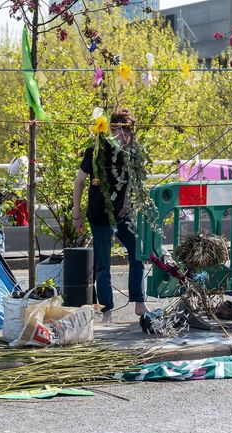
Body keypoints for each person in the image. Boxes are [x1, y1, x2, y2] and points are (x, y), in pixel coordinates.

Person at [73, 108, 148, 323]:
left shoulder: (131, 152)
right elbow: (79, 181)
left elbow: (136, 183)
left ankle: (139, 301)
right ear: (111, 129)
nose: (126, 137)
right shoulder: (95, 151)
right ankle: (106, 311)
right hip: (100, 214)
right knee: (103, 264)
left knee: (137, 253)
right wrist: (76, 212)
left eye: (129, 132)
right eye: (121, 132)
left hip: (124, 214)